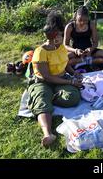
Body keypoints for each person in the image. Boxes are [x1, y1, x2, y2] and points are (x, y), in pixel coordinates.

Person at [28, 11, 82, 147]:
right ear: (51, 35)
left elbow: (65, 63)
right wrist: (70, 82)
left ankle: (49, 98)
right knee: (41, 101)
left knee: (73, 97)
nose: (60, 36)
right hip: (43, 82)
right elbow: (47, 76)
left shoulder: (61, 47)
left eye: (60, 33)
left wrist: (74, 73)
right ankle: (48, 134)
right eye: (58, 33)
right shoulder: (41, 51)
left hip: (61, 78)